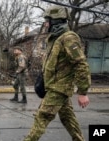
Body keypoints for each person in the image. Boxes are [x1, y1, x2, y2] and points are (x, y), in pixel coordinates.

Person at [24, 6, 91, 141]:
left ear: (56, 21)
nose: (45, 24)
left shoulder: (69, 38)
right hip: (56, 87)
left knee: (42, 117)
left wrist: (83, 92)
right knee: (68, 118)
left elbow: (80, 64)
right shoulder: (55, 39)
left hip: (59, 88)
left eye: (47, 21)